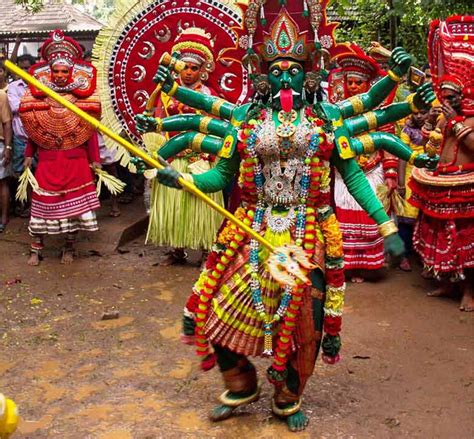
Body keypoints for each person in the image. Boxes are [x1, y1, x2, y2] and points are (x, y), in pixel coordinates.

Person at [136, 1, 438, 431]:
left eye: (292, 71)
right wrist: (180, 181)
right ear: (262, 75)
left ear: (308, 72)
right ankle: (241, 384)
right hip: (250, 228)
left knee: (304, 322)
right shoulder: (245, 121)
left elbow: (352, 177)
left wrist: (387, 225)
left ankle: (288, 395)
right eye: (275, 71)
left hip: (310, 230)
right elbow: (220, 174)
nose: (284, 78)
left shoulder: (327, 120)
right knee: (215, 308)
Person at [19, 30, 102, 265]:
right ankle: (36, 249)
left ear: (72, 72)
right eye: (56, 71)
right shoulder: (38, 97)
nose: (60, 76)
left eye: (65, 71)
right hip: (48, 161)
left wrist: (95, 159)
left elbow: (90, 131)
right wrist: (28, 155)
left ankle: (69, 248)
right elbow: (34, 131)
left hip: (76, 160)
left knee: (72, 210)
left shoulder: (84, 98)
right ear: (50, 71)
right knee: (41, 206)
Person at [409, 16, 474, 311]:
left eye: (453, 96)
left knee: (464, 238)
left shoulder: (468, 117)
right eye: (446, 95)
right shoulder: (446, 115)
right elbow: (430, 143)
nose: (448, 100)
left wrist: (457, 123)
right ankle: (448, 283)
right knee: (440, 233)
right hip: (442, 182)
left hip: (466, 186)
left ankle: (468, 291)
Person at [146, 27, 224, 266]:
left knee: (203, 208)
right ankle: (176, 250)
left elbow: (219, 127)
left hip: (202, 159)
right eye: (185, 67)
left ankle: (205, 251)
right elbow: (155, 123)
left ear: (203, 70)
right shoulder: (165, 94)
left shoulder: (210, 95)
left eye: (194, 68)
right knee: (174, 208)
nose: (188, 73)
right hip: (173, 157)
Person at [329, 45, 399, 283]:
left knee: (370, 214)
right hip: (345, 172)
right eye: (350, 83)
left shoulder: (378, 109)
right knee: (344, 217)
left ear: (368, 85)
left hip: (372, 169)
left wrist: (390, 173)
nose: (354, 87)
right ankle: (348, 266)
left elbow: (388, 139)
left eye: (359, 83)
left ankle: (369, 265)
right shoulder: (337, 109)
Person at [397, 109, 429, 271]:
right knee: (406, 217)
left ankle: (424, 256)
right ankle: (404, 255)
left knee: (427, 218)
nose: (418, 116)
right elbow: (402, 156)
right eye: (415, 113)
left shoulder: (436, 129)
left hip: (429, 176)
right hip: (411, 174)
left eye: (423, 113)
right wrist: (401, 183)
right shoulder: (407, 130)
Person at [7, 54, 36, 217]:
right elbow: (14, 107)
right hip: (20, 137)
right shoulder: (13, 86)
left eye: (27, 68)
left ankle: (34, 204)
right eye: (21, 68)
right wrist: (33, 104)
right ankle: (24, 203)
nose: (25, 71)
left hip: (37, 136)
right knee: (21, 172)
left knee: (37, 171)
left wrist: (26, 104)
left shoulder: (39, 84)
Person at [0, 79, 13, 232]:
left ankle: (4, 217)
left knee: (2, 182)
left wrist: (8, 146)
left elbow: (7, 123)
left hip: (0, 143)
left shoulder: (1, 96)